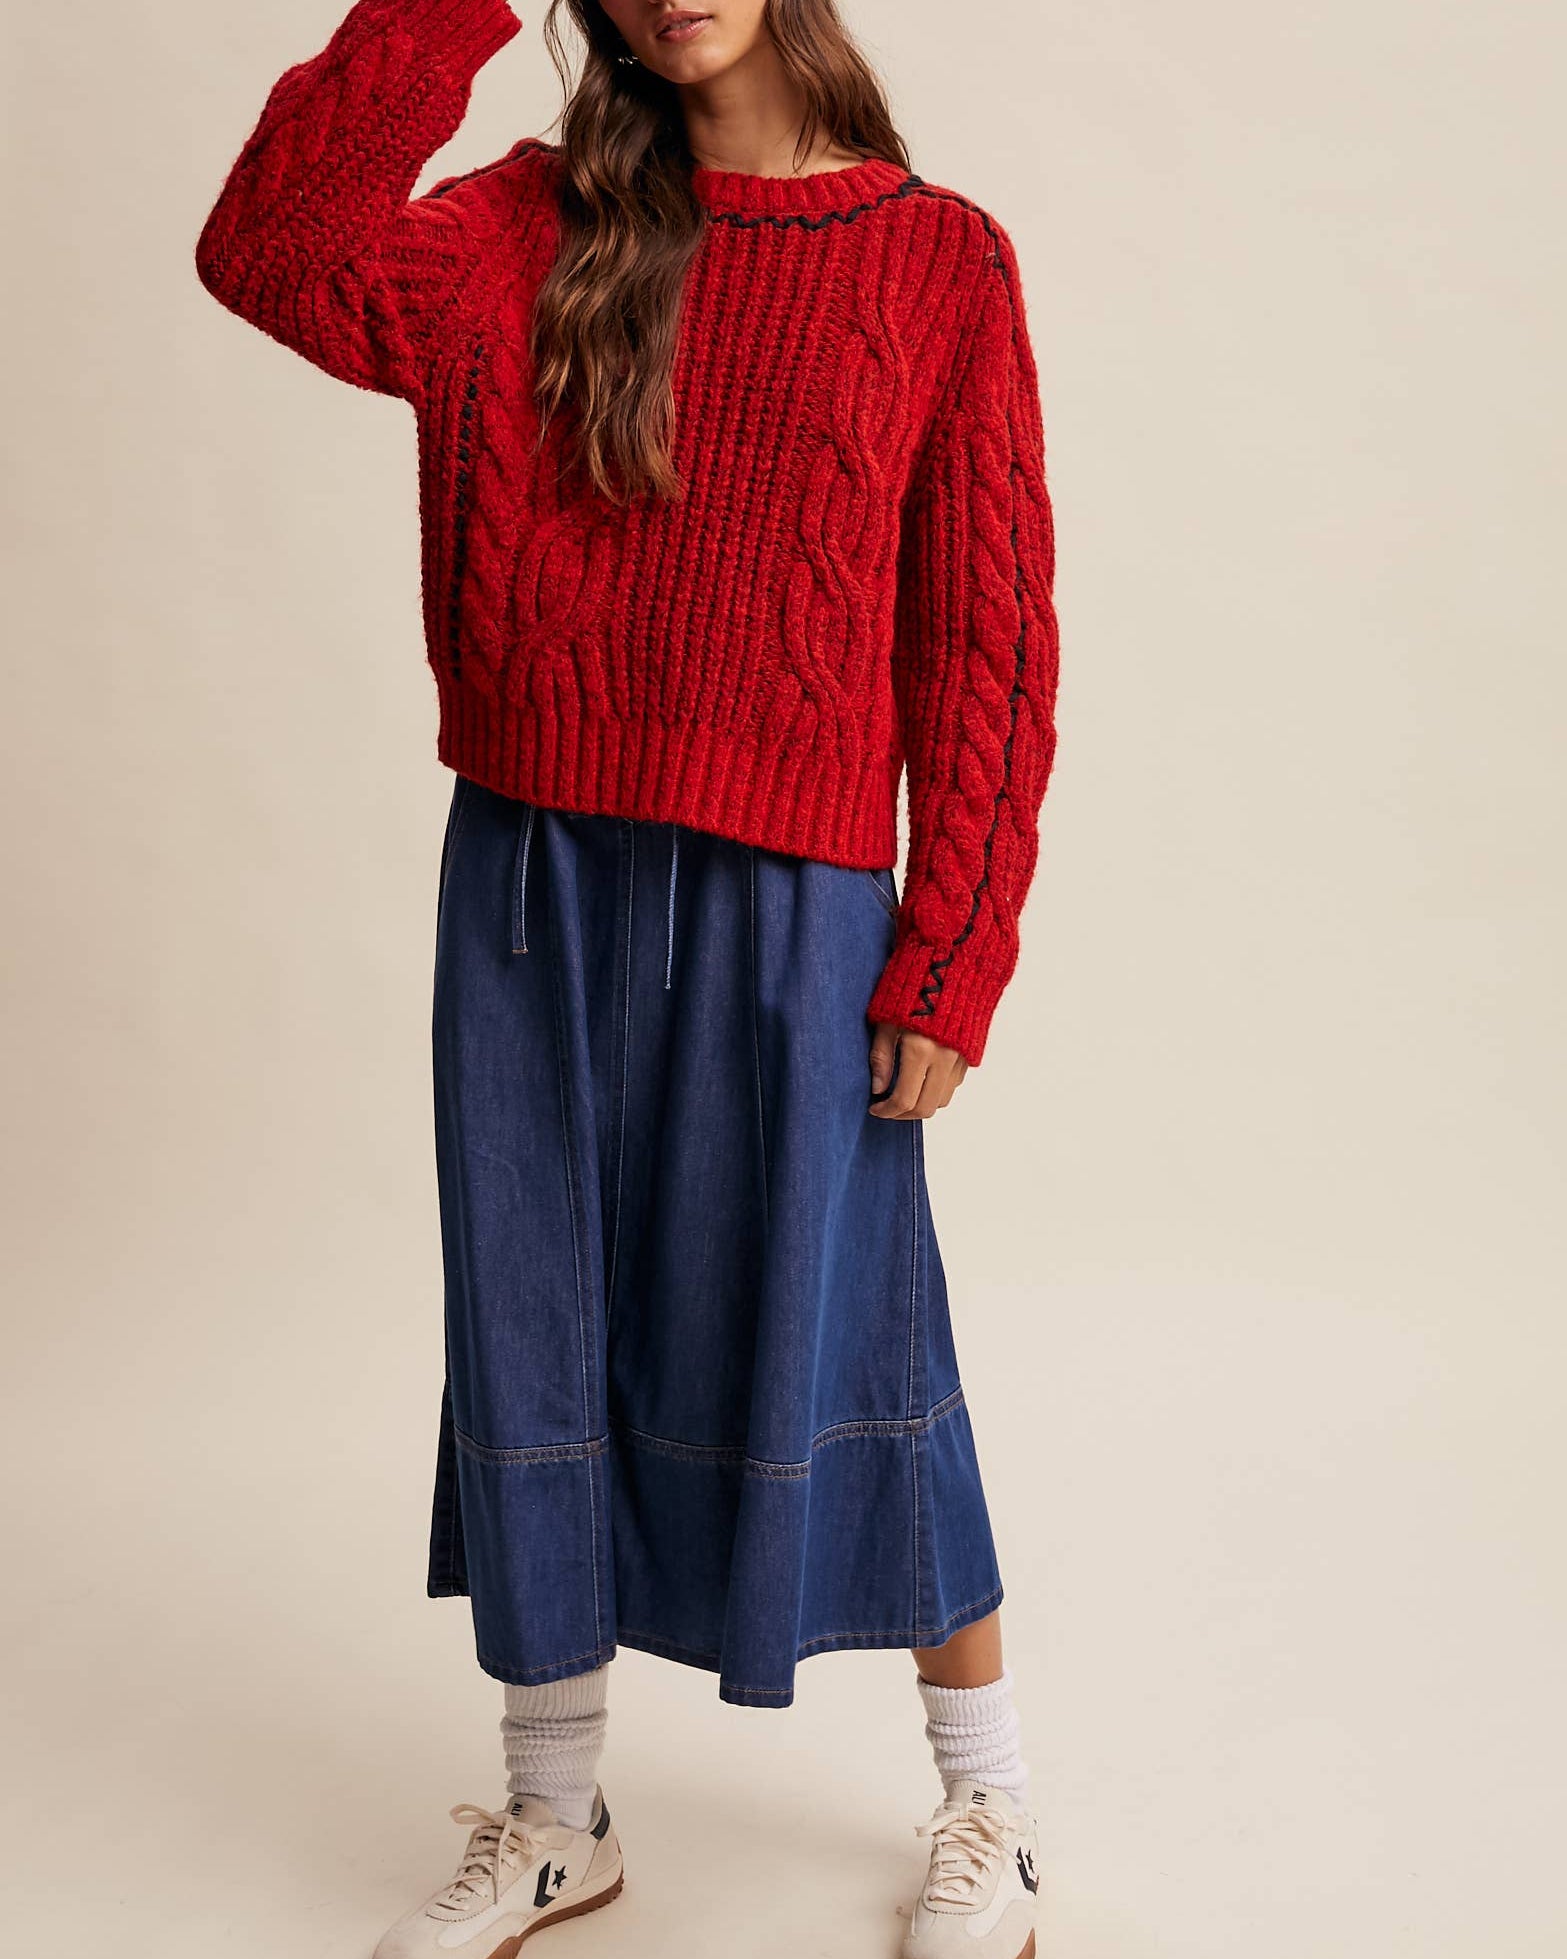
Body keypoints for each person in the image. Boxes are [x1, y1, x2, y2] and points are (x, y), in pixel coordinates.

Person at [196, 1, 1060, 1953]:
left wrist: (953, 944)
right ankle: (552, 1811)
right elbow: (270, 249)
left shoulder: (937, 257)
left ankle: (992, 1801)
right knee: (536, 1311)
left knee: (854, 1324)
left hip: (798, 891)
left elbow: (986, 627)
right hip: (533, 867)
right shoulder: (526, 225)